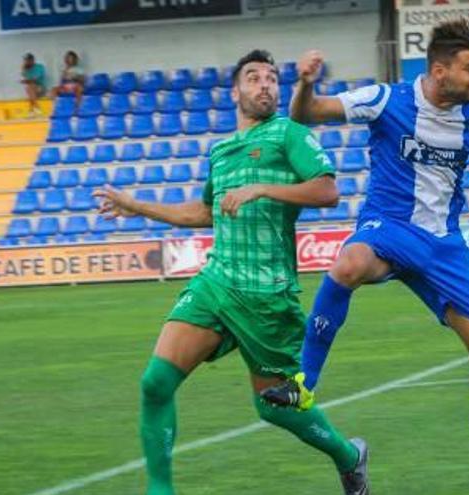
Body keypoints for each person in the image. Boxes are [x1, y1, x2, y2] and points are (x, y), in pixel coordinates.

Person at [262, 19, 469, 484]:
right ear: (440, 71)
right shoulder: (387, 100)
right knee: (348, 263)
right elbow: (308, 113)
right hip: (389, 228)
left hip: (444, 248)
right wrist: (305, 83)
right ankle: (303, 384)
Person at [93, 49, 369, 495]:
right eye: (254, 78)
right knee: (155, 383)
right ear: (236, 91)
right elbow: (205, 213)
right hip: (217, 283)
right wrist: (135, 205)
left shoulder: (289, 134)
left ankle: (348, 456)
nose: (265, 85)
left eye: (271, 78)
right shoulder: (221, 152)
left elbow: (327, 190)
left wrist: (261, 187)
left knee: (273, 408)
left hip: (267, 296)